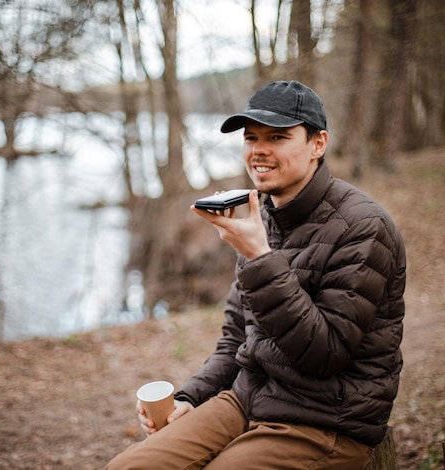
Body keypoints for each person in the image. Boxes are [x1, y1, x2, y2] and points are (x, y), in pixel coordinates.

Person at [107, 80, 406, 469]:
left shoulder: (363, 227)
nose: (259, 150)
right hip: (248, 397)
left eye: (278, 136)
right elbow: (236, 338)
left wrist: (259, 256)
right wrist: (190, 398)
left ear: (318, 144)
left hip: (325, 419)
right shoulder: (260, 217)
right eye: (251, 138)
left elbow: (325, 353)